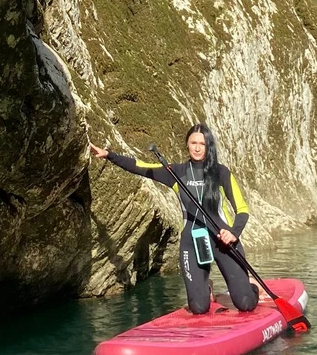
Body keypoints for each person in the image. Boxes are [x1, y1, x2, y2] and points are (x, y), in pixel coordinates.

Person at [89, 123, 258, 316]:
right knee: (198, 307)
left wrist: (234, 233)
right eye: (193, 142)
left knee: (245, 303)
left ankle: (250, 285)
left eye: (202, 144)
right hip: (192, 242)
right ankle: (206, 289)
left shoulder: (221, 173)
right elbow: (141, 167)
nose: (196, 147)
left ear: (208, 146)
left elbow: (243, 209)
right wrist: (109, 155)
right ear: (187, 144)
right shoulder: (176, 172)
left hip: (224, 241)